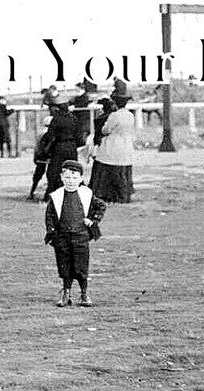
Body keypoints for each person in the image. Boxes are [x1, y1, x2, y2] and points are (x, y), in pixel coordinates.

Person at [43, 160, 107, 308]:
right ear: (61, 177)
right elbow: (50, 216)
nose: (71, 181)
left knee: (81, 264)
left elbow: (101, 206)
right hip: (63, 236)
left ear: (80, 178)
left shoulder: (86, 194)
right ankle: (66, 292)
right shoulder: (56, 196)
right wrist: (52, 232)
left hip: (81, 235)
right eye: (67, 177)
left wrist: (93, 220)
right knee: (64, 264)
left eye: (74, 177)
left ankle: (84, 293)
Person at [89, 92, 135, 203]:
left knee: (109, 167)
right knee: (123, 170)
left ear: (115, 103)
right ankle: (124, 194)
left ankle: (108, 193)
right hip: (126, 143)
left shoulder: (114, 116)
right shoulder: (130, 115)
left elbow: (106, 129)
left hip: (113, 143)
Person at [43, 98, 83, 194]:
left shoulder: (56, 119)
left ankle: (52, 192)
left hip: (59, 146)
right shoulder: (74, 118)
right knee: (73, 169)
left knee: (55, 171)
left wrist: (47, 147)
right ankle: (74, 191)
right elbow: (79, 136)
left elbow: (50, 135)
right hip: (72, 146)